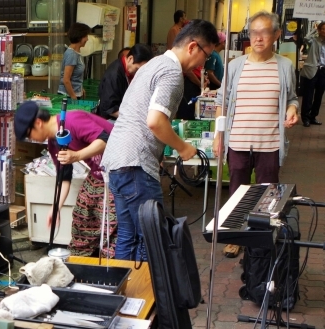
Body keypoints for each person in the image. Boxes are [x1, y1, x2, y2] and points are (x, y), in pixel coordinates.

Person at [100, 19, 219, 261]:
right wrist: (183, 147)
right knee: (151, 238)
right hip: (135, 163)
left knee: (128, 235)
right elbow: (155, 121)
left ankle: (127, 295)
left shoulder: (153, 64)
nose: (203, 64)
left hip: (117, 159)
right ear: (193, 47)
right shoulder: (172, 72)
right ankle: (147, 296)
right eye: (206, 56)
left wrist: (160, 155)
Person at [212, 11, 298, 258]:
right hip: (238, 140)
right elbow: (222, 101)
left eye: (264, 32)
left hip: (269, 143)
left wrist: (292, 110)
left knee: (267, 193)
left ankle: (259, 238)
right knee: (237, 190)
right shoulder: (235, 66)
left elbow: (291, 98)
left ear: (276, 35)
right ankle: (235, 237)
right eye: (253, 32)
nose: (258, 38)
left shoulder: (285, 66)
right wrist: (219, 136)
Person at [14, 101, 117, 257]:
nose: (32, 139)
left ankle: (113, 259)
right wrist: (56, 207)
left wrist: (76, 156)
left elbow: (105, 139)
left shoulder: (72, 120)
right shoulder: (53, 142)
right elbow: (64, 177)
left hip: (121, 169)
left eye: (30, 135)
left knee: (110, 219)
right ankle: (80, 257)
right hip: (99, 172)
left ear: (38, 123)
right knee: (82, 212)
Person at [97, 44, 154, 120]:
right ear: (130, 59)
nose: (138, 73)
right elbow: (109, 108)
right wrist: (133, 118)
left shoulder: (128, 72)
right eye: (137, 69)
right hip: (109, 120)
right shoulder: (114, 74)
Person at [300, 21, 325, 127]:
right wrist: (315, 28)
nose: (324, 31)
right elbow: (306, 37)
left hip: (323, 71)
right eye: (323, 29)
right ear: (319, 30)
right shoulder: (313, 41)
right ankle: (305, 118)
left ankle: (313, 116)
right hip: (312, 71)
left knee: (319, 96)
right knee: (308, 95)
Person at [58, 23, 91, 100]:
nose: (87, 39)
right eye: (86, 36)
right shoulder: (71, 54)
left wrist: (80, 89)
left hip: (75, 93)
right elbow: (66, 80)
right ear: (80, 37)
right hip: (68, 96)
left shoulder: (77, 53)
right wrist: (73, 97)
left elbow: (75, 77)